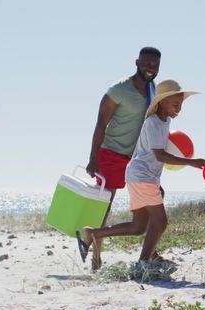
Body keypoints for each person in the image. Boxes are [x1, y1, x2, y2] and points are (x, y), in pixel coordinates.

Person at [76, 80, 204, 266]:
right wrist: (191, 162)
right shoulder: (152, 122)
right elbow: (159, 155)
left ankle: (93, 233)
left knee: (138, 227)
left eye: (181, 104)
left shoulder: (165, 121)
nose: (179, 109)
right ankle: (144, 262)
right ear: (162, 102)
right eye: (176, 104)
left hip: (141, 176)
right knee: (160, 222)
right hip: (141, 176)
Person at [85, 46, 161, 270]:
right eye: (147, 63)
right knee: (104, 207)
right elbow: (101, 124)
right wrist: (93, 158)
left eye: (155, 65)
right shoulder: (119, 90)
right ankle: (96, 259)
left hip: (137, 159)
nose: (151, 68)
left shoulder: (153, 90)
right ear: (137, 62)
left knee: (152, 202)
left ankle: (151, 253)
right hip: (110, 154)